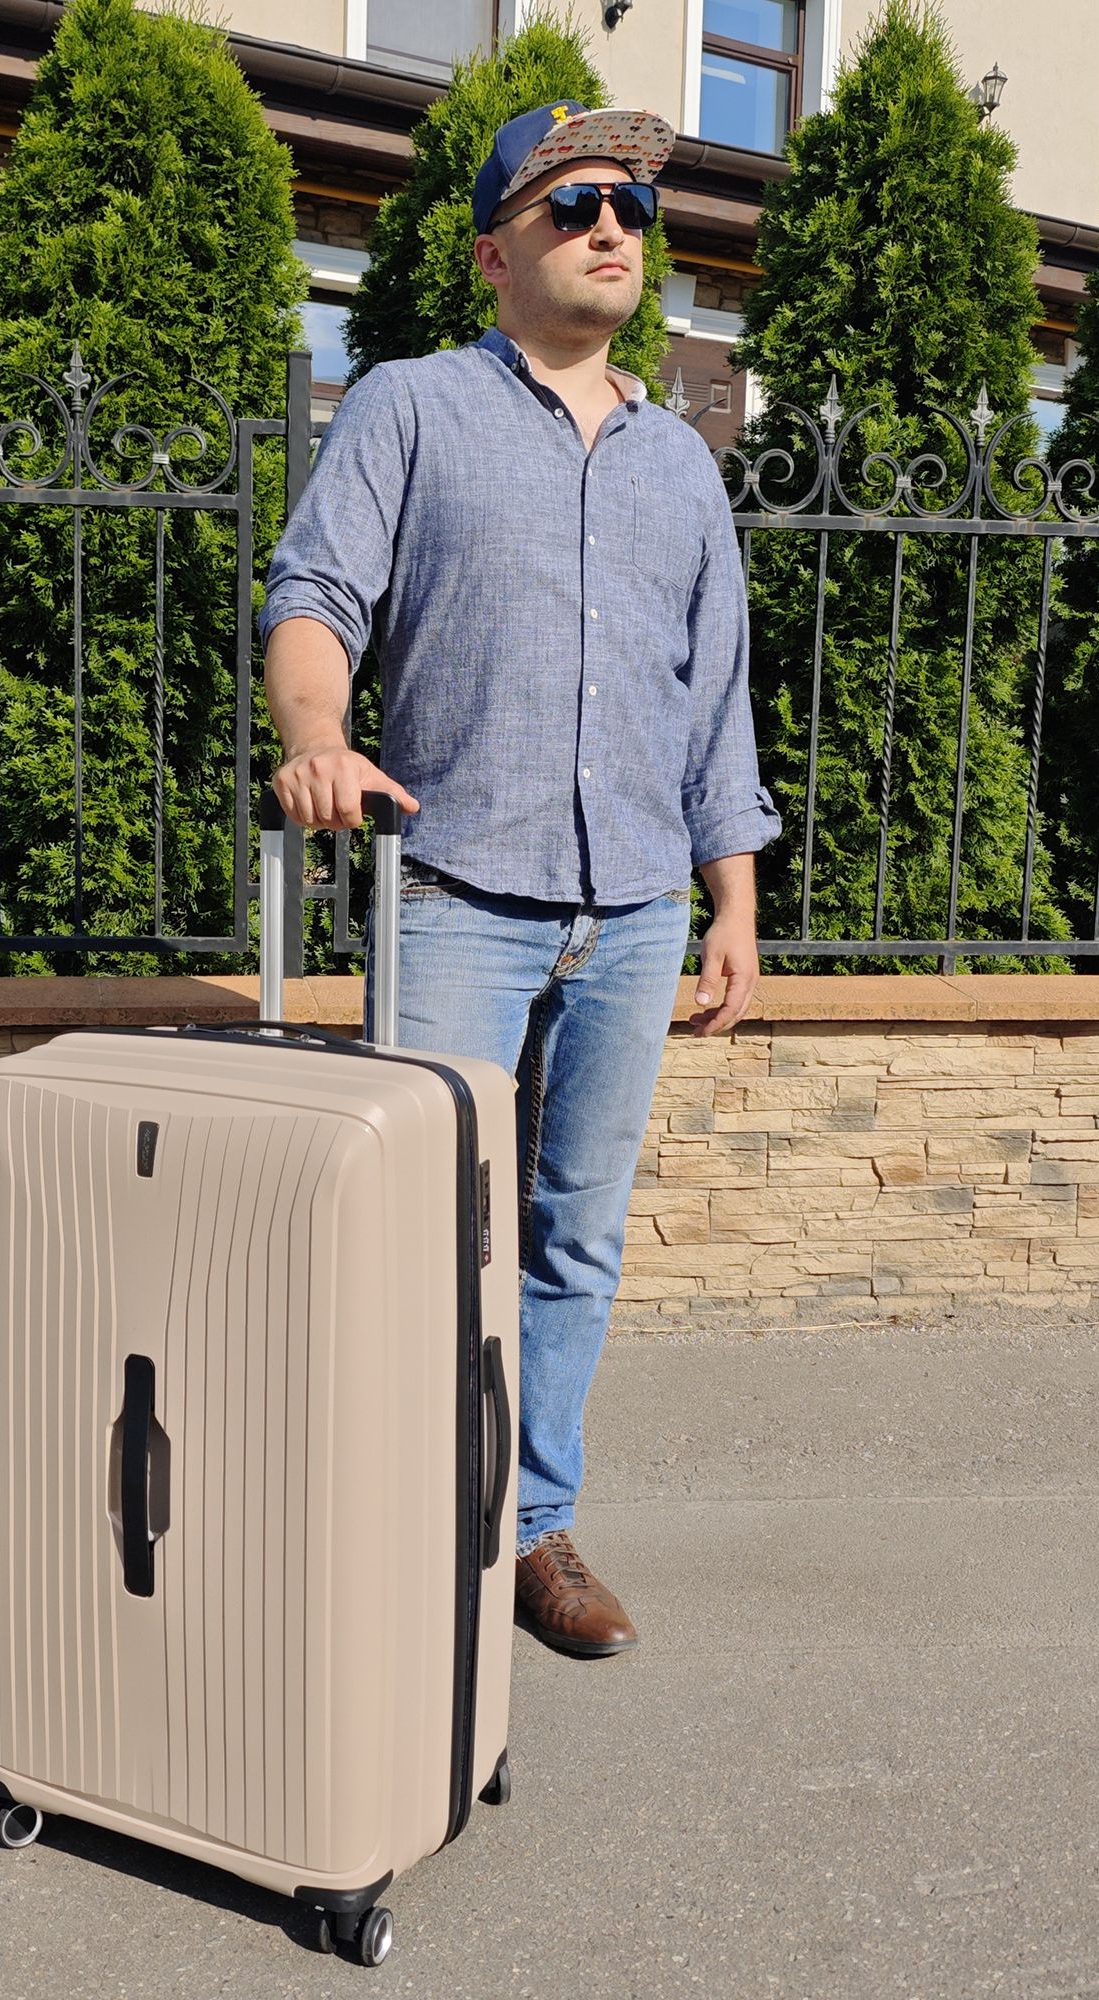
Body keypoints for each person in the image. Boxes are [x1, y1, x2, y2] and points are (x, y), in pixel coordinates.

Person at [260, 101, 780, 1658]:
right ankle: (397, 1527)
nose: (611, 225)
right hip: (458, 899)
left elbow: (715, 697)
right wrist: (318, 738)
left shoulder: (681, 467)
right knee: (422, 1233)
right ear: (495, 253)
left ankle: (530, 1524)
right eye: (572, 205)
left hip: (635, 913)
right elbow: (314, 596)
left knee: (573, 1238)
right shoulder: (411, 409)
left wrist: (733, 898)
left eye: (631, 205)